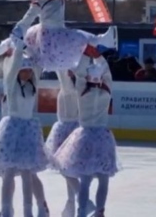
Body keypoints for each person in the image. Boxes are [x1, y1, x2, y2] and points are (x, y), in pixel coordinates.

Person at [0, 38, 50, 217]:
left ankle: (32, 209)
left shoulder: (33, 85)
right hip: (11, 130)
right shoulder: (10, 84)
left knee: (28, 173)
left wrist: (32, 46)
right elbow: (13, 65)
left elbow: (38, 64)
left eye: (28, 71)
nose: (26, 74)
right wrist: (16, 46)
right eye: (22, 71)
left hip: (28, 131)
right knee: (8, 172)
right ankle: (7, 210)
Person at [12, 0, 118, 72]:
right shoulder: (39, 3)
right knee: (79, 38)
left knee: (79, 38)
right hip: (49, 35)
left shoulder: (59, 1)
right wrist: (18, 29)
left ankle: (103, 40)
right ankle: (103, 40)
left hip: (60, 31)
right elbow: (28, 18)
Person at [53, 58, 119, 217]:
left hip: (84, 136)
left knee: (85, 180)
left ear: (87, 79)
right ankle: (100, 211)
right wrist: (99, 57)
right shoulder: (106, 92)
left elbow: (81, 74)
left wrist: (83, 55)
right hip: (103, 137)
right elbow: (108, 74)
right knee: (103, 179)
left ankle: (81, 211)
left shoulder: (81, 92)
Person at [45, 62, 95, 217]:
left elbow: (60, 68)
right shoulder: (79, 88)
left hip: (67, 130)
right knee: (69, 170)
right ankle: (72, 204)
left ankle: (84, 201)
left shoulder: (69, 88)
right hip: (75, 129)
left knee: (63, 167)